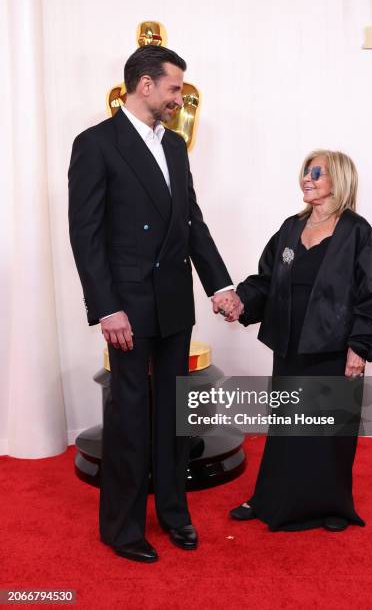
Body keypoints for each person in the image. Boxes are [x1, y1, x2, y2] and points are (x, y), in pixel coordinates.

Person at [68, 45, 241, 562]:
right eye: (172, 87)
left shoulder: (175, 147)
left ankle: (173, 513)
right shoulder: (95, 144)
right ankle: (121, 528)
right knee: (129, 416)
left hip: (171, 302)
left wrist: (220, 286)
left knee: (173, 414)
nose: (178, 97)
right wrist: (106, 307)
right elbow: (86, 235)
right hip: (126, 306)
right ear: (145, 85)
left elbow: (192, 223)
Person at [224, 149, 372, 532]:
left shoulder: (358, 232)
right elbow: (266, 281)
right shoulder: (291, 228)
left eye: (317, 172)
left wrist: (361, 346)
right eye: (306, 171)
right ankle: (270, 499)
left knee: (326, 435)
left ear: (338, 180)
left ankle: (330, 507)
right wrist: (241, 301)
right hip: (291, 347)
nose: (308, 177)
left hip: (335, 351)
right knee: (286, 428)